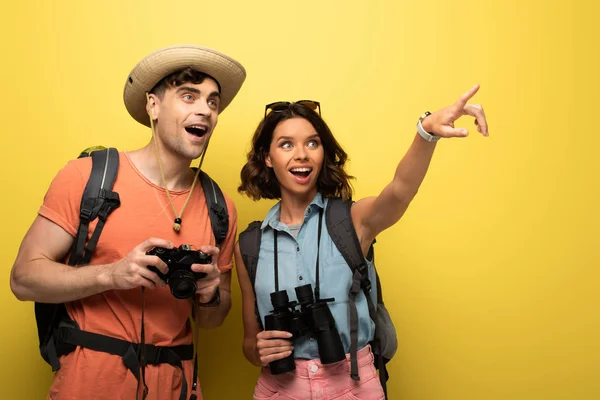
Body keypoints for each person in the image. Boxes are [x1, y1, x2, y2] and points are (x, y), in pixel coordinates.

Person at [10, 44, 246, 400]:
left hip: (177, 386)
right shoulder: (89, 177)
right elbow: (23, 279)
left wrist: (211, 293)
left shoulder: (220, 206)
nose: (205, 110)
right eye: (189, 96)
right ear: (153, 105)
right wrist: (112, 274)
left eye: (213, 102)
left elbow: (212, 320)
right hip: (89, 384)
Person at [235, 87, 489, 399]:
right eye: (286, 144)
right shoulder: (249, 244)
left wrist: (425, 133)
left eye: (312, 143)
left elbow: (398, 192)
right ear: (268, 158)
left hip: (352, 385)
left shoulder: (352, 220)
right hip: (280, 389)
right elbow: (249, 343)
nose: (301, 154)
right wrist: (259, 349)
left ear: (323, 153)